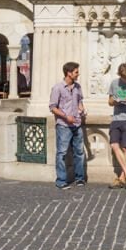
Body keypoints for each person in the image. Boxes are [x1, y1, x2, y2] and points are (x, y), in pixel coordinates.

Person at [49, 61, 87, 189]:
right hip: (64, 126)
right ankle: (61, 180)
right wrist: (66, 116)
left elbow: (80, 101)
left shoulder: (78, 87)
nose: (78, 74)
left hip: (77, 124)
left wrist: (82, 109)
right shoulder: (57, 88)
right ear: (69, 73)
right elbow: (53, 107)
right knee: (62, 153)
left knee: (79, 152)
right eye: (76, 72)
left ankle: (80, 178)